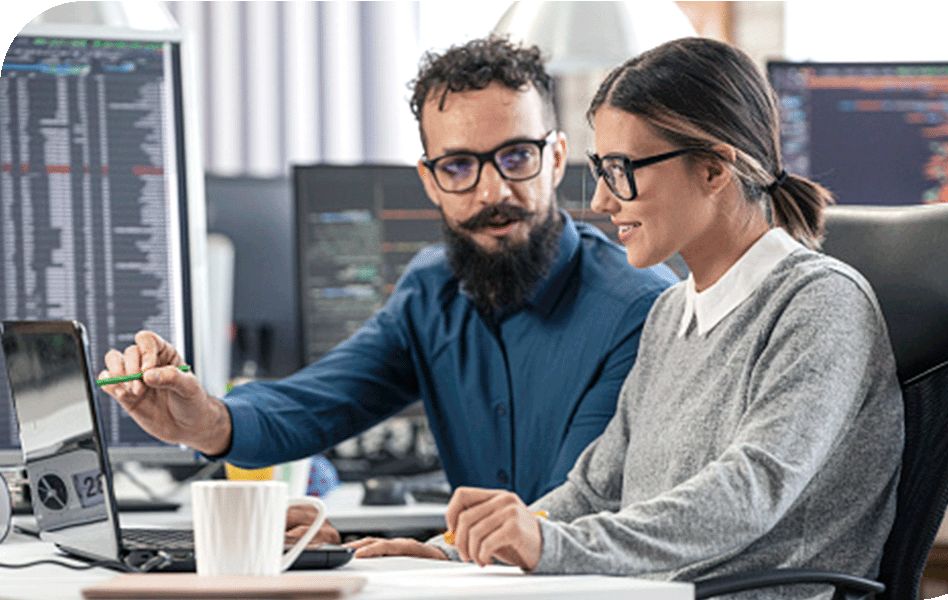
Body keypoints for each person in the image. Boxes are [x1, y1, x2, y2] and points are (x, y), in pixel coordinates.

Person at [350, 36, 906, 595]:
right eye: (601, 170)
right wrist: (457, 552)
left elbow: (750, 493)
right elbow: (593, 493)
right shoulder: (670, 313)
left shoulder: (819, 303)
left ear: (713, 170)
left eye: (622, 170)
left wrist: (550, 548)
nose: (601, 202)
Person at [99, 37, 675, 542]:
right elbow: (317, 402)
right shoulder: (431, 291)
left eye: (516, 156)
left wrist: (430, 555)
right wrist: (205, 421)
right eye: (458, 167)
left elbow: (574, 513)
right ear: (429, 180)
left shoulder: (637, 308)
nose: (491, 191)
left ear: (555, 159)